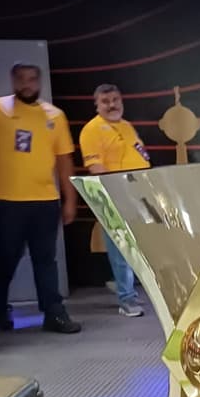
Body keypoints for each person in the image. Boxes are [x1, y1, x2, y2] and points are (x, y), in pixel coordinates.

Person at [0, 63, 80, 333]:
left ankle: (54, 313)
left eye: (32, 80)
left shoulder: (55, 116)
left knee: (45, 258)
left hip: (45, 201)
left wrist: (69, 199)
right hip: (7, 200)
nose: (27, 85)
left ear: (39, 82)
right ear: (13, 82)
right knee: (8, 256)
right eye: (21, 80)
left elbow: (63, 161)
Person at [79, 83, 150, 317]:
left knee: (134, 249)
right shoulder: (92, 130)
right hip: (114, 195)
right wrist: (111, 195)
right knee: (120, 249)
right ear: (96, 105)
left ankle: (127, 290)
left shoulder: (127, 126)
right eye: (105, 101)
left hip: (136, 194)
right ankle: (126, 300)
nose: (112, 105)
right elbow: (96, 168)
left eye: (115, 100)